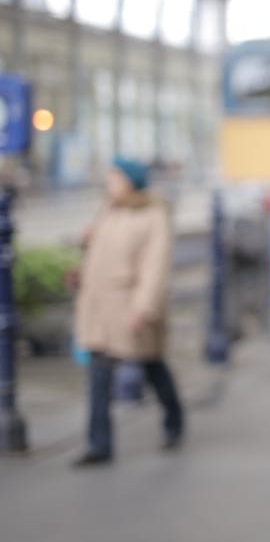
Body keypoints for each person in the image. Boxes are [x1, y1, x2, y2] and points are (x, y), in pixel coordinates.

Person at [71, 157, 184, 467]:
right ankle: (99, 445)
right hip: (100, 307)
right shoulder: (109, 210)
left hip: (129, 307)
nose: (109, 184)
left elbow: (154, 266)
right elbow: (101, 255)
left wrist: (143, 308)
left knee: (152, 366)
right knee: (99, 374)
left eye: (114, 178)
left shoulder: (153, 215)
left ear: (130, 182)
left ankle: (174, 419)